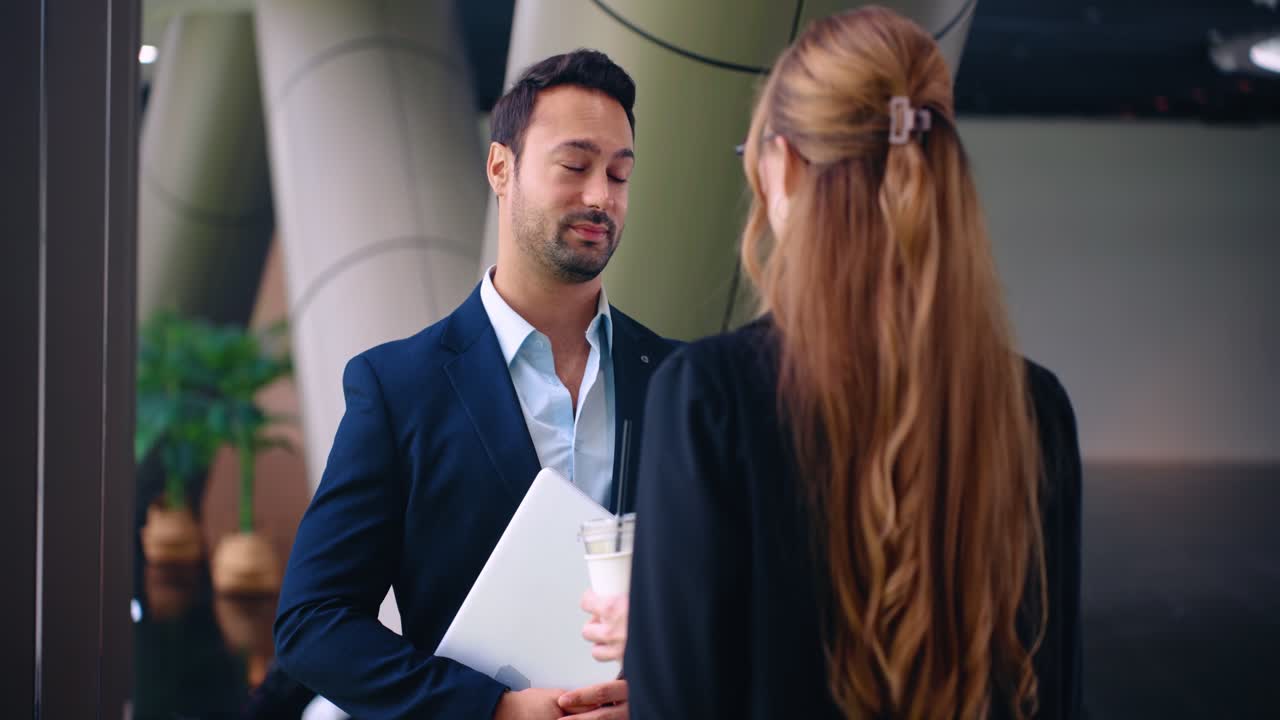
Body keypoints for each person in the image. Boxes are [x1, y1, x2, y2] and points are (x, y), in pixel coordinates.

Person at [612, 8, 1084, 719]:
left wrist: (654, 634)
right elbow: (1055, 693)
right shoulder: (1035, 408)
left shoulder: (708, 398)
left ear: (786, 165)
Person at [274, 49, 676, 720]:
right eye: (575, 166)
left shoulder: (679, 382)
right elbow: (312, 624)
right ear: (501, 168)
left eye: (619, 173)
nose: (601, 197)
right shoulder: (398, 388)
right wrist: (498, 711)